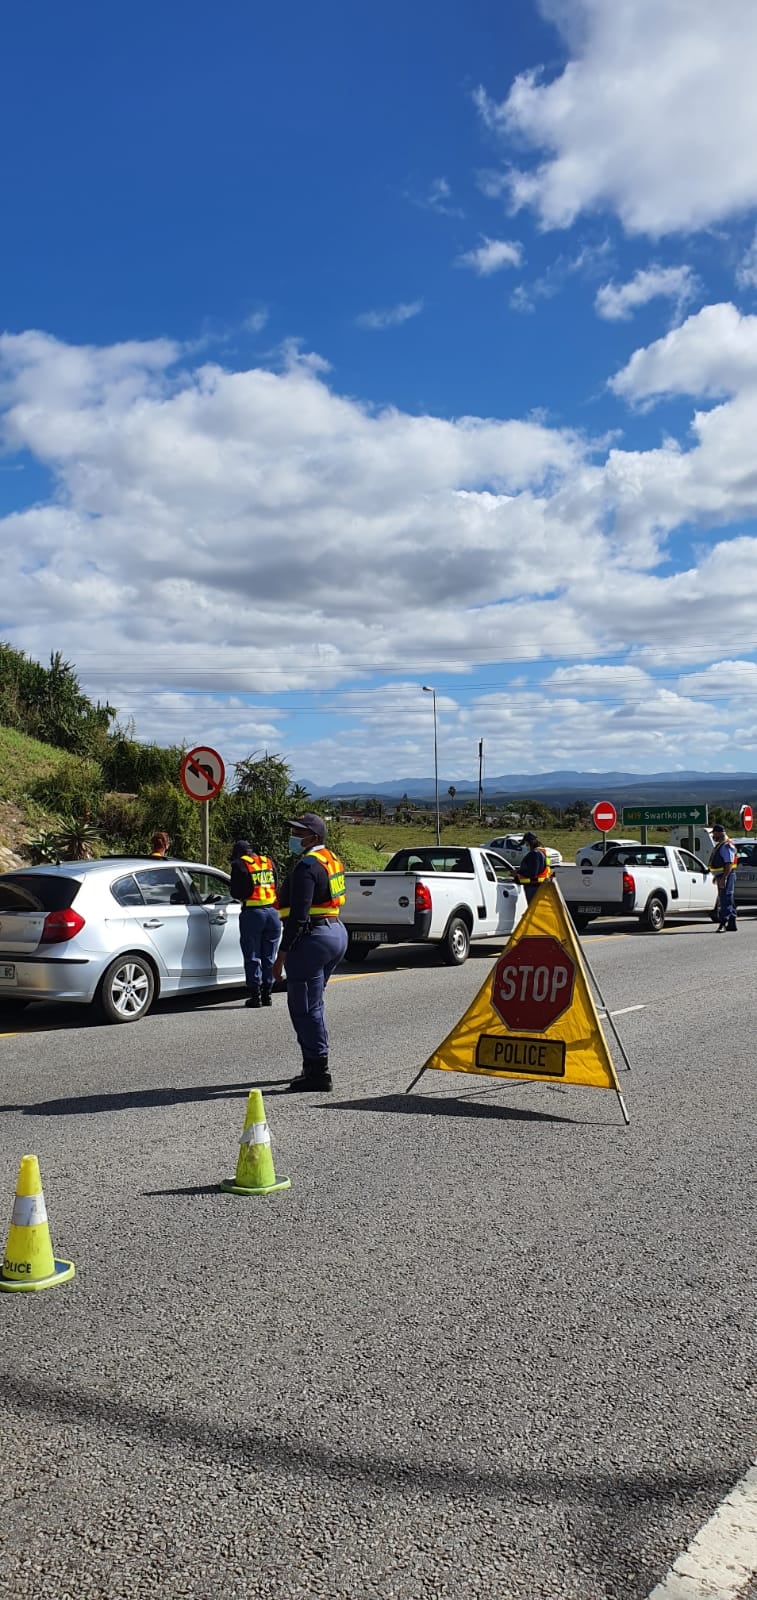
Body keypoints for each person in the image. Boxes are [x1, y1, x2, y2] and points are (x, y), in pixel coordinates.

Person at [272, 812, 347, 1092]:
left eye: (299, 832)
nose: (294, 836)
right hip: (335, 931)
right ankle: (313, 1060)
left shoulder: (307, 866)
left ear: (313, 837)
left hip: (313, 938)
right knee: (313, 1004)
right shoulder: (331, 859)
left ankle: (318, 1072)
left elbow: (299, 916)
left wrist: (281, 955)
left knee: (304, 1008)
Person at [229, 839, 281, 1006]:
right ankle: (267, 994)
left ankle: (255, 995)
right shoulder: (267, 862)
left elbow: (236, 892)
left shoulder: (239, 865)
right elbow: (276, 884)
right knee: (269, 956)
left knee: (252, 956)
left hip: (253, 913)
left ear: (238, 853)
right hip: (273, 913)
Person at [709, 822, 738, 931]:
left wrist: (724, 878)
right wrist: (716, 876)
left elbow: (729, 863)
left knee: (725, 898)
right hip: (722, 875)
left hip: (727, 875)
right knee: (728, 898)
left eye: (714, 834)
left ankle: (723, 922)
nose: (713, 836)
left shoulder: (726, 845)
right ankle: (732, 924)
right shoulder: (721, 844)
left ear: (719, 833)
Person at [518, 831, 553, 903]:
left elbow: (532, 873)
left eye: (526, 843)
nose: (526, 845)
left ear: (529, 842)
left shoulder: (534, 853)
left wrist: (518, 872)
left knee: (532, 910)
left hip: (533, 887)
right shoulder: (543, 852)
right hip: (542, 885)